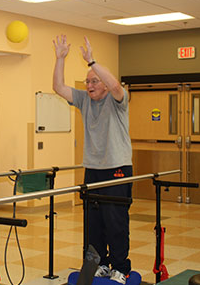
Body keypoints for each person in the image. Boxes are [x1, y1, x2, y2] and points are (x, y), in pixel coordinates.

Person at [52, 35, 132, 284]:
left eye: (94, 81)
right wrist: (60, 58)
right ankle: (98, 264)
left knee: (115, 221)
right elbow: (58, 87)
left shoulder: (118, 100)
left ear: (105, 84)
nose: (89, 85)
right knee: (93, 222)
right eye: (87, 82)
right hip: (93, 169)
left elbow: (116, 86)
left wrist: (92, 61)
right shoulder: (84, 99)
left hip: (117, 168)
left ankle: (120, 267)